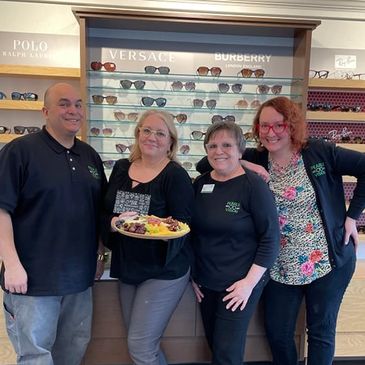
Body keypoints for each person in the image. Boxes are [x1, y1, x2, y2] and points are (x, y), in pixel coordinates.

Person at [196, 96, 365, 365]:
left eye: (279, 125)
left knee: (320, 333)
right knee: (278, 334)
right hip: (278, 265)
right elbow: (205, 164)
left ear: (292, 126)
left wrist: (352, 217)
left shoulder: (319, 151)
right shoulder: (256, 156)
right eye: (264, 126)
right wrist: (245, 162)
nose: (271, 132)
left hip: (327, 261)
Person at [0, 82, 107, 365]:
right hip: (32, 282)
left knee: (72, 353)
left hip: (79, 282)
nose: (73, 110)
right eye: (64, 104)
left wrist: (99, 255)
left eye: (78, 104)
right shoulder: (19, 151)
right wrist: (11, 264)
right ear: (45, 111)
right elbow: (1, 210)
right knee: (36, 356)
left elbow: (99, 212)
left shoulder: (89, 156)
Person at [102, 109, 194, 365]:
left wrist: (159, 230)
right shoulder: (121, 168)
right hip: (127, 266)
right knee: (138, 343)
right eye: (147, 130)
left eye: (160, 133)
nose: (152, 137)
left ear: (170, 142)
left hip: (163, 270)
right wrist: (113, 223)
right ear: (138, 133)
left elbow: (185, 224)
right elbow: (105, 211)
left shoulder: (175, 176)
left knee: (140, 345)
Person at [191, 120, 280, 365]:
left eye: (227, 145)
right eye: (212, 145)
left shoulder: (254, 187)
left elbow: (271, 239)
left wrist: (248, 284)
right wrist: (193, 274)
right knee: (214, 343)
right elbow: (191, 232)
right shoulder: (200, 184)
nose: (219, 151)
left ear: (241, 151)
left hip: (240, 283)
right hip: (206, 281)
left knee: (226, 353)